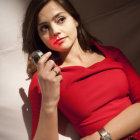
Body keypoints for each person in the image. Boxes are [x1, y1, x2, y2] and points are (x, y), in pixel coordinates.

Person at [22, 0, 140, 139]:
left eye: (60, 19)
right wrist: (49, 101)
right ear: (39, 36)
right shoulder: (45, 79)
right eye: (44, 28)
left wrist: (99, 137)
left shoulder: (112, 54)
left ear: (75, 19)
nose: (55, 31)